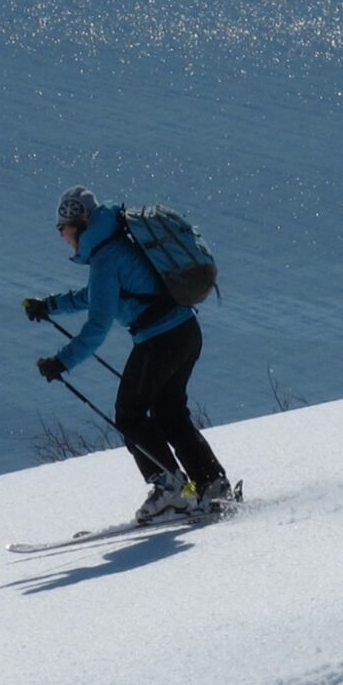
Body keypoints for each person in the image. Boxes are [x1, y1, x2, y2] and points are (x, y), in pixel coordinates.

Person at [23, 186, 232, 523]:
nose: (63, 238)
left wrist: (62, 361)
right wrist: (49, 306)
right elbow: (95, 296)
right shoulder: (119, 245)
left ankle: (171, 491)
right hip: (186, 333)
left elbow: (98, 324)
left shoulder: (106, 258)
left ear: (78, 224)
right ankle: (211, 484)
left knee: (130, 414)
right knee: (169, 413)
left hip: (159, 341)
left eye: (63, 230)